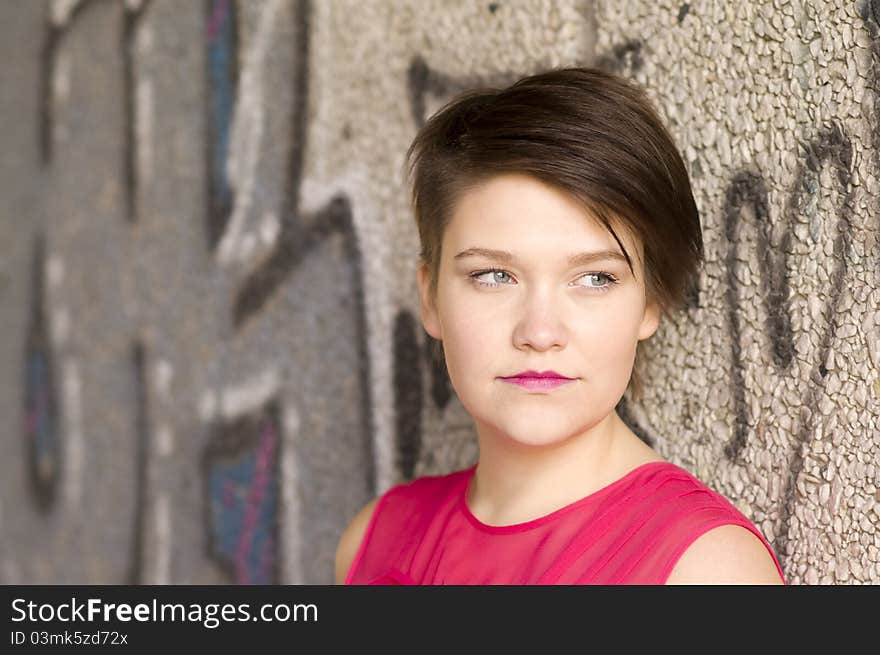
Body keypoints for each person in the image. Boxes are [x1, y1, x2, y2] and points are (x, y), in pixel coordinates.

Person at [335, 66, 786, 584]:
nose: (540, 331)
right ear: (431, 295)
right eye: (494, 275)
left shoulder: (705, 571)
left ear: (649, 303)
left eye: (595, 278)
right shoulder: (373, 542)